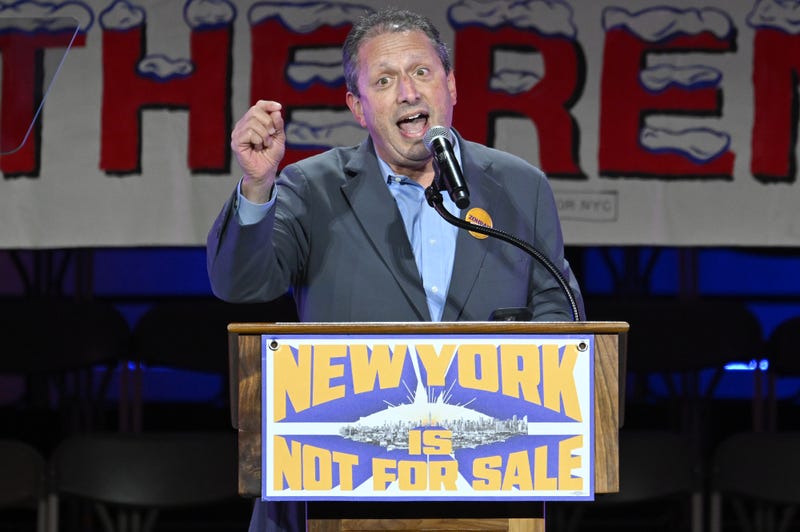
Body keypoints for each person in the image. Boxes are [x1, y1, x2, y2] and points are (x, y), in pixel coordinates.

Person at [207, 7, 585, 531]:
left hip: (490, 492)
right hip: (336, 495)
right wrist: (256, 187)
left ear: (451, 86)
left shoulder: (519, 187)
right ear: (358, 108)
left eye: (421, 73)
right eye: (384, 81)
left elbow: (560, 316)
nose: (408, 92)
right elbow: (240, 283)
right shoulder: (309, 188)